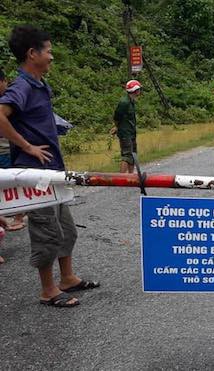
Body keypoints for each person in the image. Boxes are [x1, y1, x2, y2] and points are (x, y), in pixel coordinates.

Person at [0, 25, 99, 307]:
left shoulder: (40, 84)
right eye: (49, 51)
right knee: (46, 231)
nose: (52, 57)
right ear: (33, 54)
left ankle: (68, 278)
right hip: (36, 175)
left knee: (67, 228)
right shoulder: (21, 86)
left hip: (54, 170)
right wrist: (27, 147)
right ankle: (48, 290)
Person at [0, 69, 27, 232]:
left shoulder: (12, 98)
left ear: (4, 81)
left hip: (9, 150)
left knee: (17, 183)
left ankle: (17, 216)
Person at [112, 80, 141, 173]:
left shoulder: (131, 101)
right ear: (135, 90)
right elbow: (117, 116)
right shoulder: (124, 102)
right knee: (126, 155)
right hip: (125, 132)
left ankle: (131, 176)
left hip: (131, 131)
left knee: (133, 154)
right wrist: (116, 127)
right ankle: (121, 178)